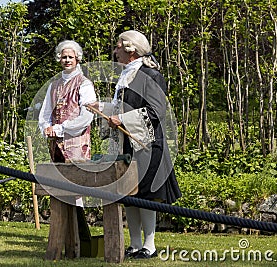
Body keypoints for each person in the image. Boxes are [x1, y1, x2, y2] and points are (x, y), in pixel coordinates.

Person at [99, 30, 182, 259]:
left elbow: (157, 111)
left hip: (147, 144)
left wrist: (122, 119)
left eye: (118, 46)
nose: (114, 51)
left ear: (130, 50)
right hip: (126, 145)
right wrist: (100, 108)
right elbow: (120, 110)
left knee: (146, 195)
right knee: (128, 194)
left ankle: (150, 245)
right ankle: (135, 244)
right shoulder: (125, 75)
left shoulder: (151, 75)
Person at [38, 40, 97, 163]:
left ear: (77, 59)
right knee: (56, 179)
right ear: (59, 59)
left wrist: (60, 129)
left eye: (71, 57)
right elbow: (46, 112)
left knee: (78, 178)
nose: (67, 60)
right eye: (64, 57)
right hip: (55, 146)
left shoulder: (84, 83)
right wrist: (47, 128)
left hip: (76, 144)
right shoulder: (53, 85)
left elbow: (86, 117)